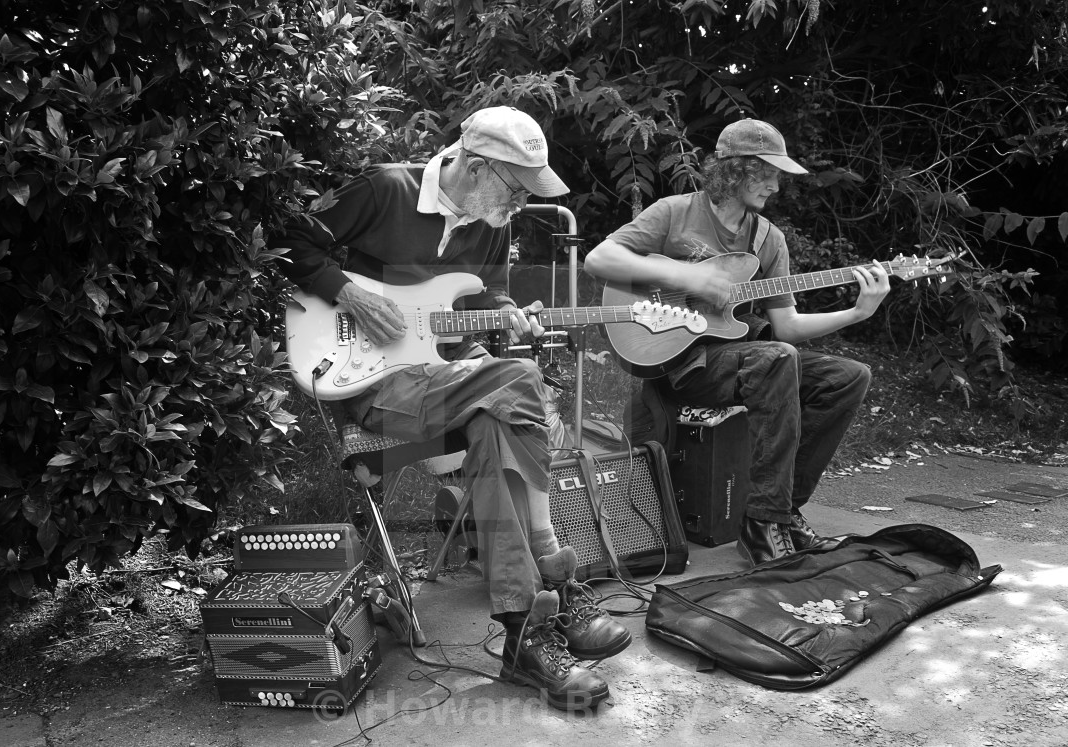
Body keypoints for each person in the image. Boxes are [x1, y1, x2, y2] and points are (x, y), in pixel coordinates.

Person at [271, 106, 629, 710]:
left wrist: (507, 308)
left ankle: (524, 635)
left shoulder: (493, 221)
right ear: (476, 166)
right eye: (516, 189)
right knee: (517, 381)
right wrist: (349, 292)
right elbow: (287, 240)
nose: (519, 206)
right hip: (369, 381)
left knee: (498, 417)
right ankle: (556, 576)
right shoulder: (385, 189)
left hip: (452, 381)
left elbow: (488, 291)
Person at [583, 118, 891, 566]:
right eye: (767, 173)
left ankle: (781, 512)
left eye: (777, 175)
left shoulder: (769, 240)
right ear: (736, 170)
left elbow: (785, 326)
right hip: (677, 361)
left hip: (741, 358)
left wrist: (858, 312)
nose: (775, 186)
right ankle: (764, 526)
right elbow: (599, 258)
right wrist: (689, 276)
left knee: (848, 377)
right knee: (776, 359)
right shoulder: (674, 212)